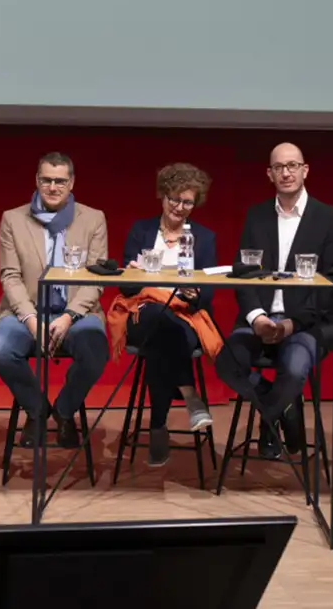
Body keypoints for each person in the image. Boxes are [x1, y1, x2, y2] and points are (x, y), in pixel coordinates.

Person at [215, 142, 333, 457]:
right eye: (278, 167)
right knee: (226, 362)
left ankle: (269, 418)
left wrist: (291, 324)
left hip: (307, 325)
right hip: (260, 319)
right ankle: (284, 408)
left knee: (295, 364)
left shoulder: (331, 218)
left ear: (305, 170)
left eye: (292, 165)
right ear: (269, 174)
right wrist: (257, 317)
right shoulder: (256, 215)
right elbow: (242, 275)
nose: (286, 172)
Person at [0, 152, 109, 448]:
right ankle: (37, 409)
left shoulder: (93, 219)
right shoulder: (12, 219)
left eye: (60, 181)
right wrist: (31, 321)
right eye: (46, 180)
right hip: (25, 313)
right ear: (37, 181)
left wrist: (68, 317)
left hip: (76, 313)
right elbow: (10, 276)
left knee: (95, 349)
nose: (53, 187)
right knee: (0, 349)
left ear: (71, 183)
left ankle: (64, 411)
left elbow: (97, 277)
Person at [112, 163, 223, 467]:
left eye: (187, 202)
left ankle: (157, 426)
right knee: (156, 320)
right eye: (174, 198)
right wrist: (132, 274)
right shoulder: (141, 230)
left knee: (163, 335)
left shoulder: (204, 237)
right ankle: (190, 396)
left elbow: (209, 290)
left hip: (185, 317)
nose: (179, 207)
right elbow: (122, 285)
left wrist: (195, 295)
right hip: (142, 313)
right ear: (162, 195)